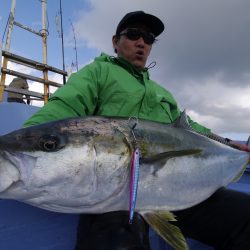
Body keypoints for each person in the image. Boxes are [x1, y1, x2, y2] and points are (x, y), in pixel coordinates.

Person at [23, 11, 250, 250]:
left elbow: (190, 128)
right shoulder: (98, 73)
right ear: (115, 41)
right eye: (133, 34)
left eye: (148, 38)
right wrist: (29, 138)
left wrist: (226, 142)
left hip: (182, 189)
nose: (141, 42)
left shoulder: (161, 92)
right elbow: (66, 105)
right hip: (117, 193)